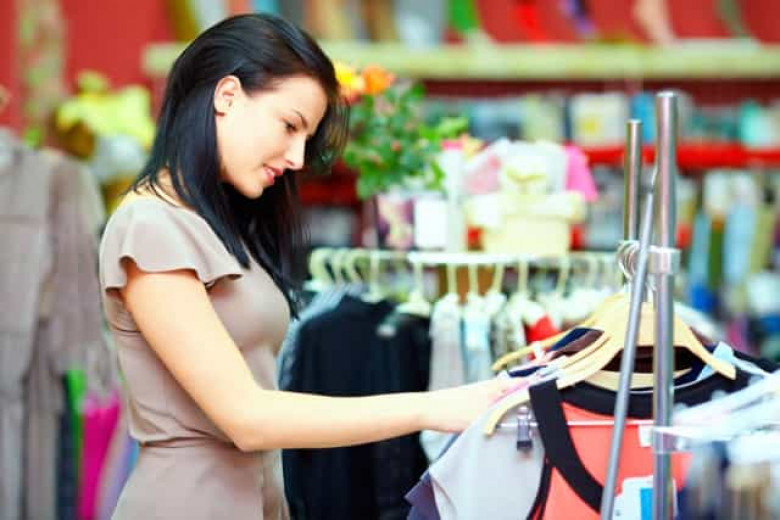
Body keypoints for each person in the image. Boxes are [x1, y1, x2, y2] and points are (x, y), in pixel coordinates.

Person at [98, 13, 521, 520]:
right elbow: (248, 417)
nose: (298, 158)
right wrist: (433, 407)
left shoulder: (218, 223)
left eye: (307, 137)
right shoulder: (150, 226)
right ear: (227, 95)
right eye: (289, 125)